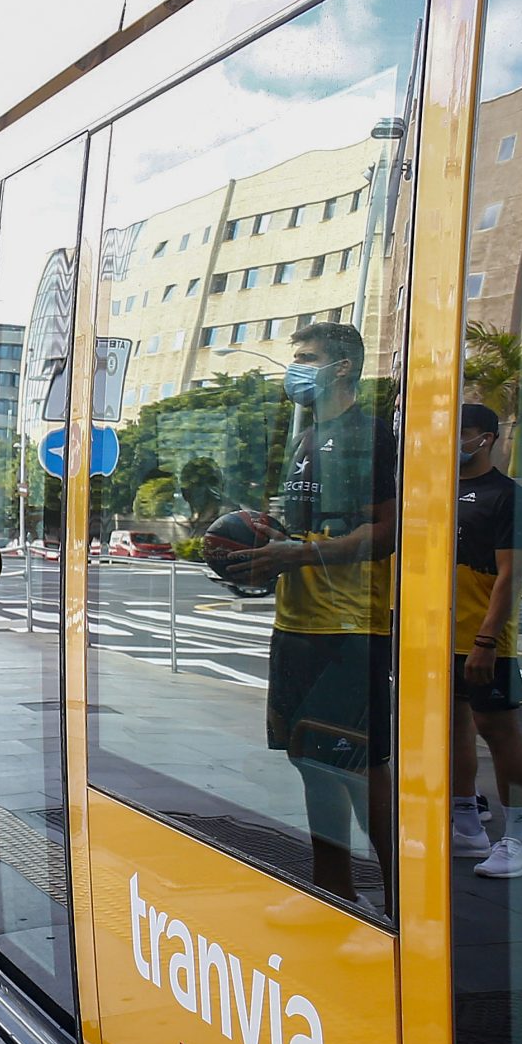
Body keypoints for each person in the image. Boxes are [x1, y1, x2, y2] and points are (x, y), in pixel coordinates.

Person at [233, 322, 398, 904]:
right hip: (297, 621)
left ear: (343, 367)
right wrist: (265, 544)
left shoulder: (369, 436)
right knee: (309, 759)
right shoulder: (307, 437)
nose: (294, 369)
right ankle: (333, 891)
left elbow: (388, 531)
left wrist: (299, 554)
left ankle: (403, 900)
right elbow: (306, 529)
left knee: (355, 766)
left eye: (306, 358)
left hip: (351, 627)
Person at [451, 403, 522, 878]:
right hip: (439, 636)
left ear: (485, 438)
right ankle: (466, 825)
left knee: (498, 731)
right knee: (453, 728)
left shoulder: (509, 497)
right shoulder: (437, 492)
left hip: (483, 639)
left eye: (462, 431)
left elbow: (510, 576)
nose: (454, 440)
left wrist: (486, 641)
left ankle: (521, 840)